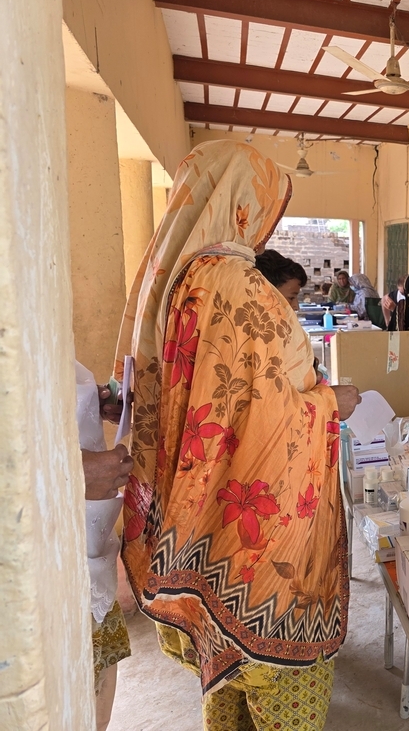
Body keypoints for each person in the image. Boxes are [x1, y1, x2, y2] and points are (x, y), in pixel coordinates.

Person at [113, 140, 361, 730]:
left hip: (201, 516)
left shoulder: (174, 283)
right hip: (261, 541)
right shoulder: (239, 285)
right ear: (245, 204)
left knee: (224, 674)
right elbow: (275, 413)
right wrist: (332, 402)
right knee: (279, 677)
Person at [76, 361, 133, 731]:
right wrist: (69, 470)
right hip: (37, 582)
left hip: (90, 550)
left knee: (96, 707)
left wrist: (83, 404)